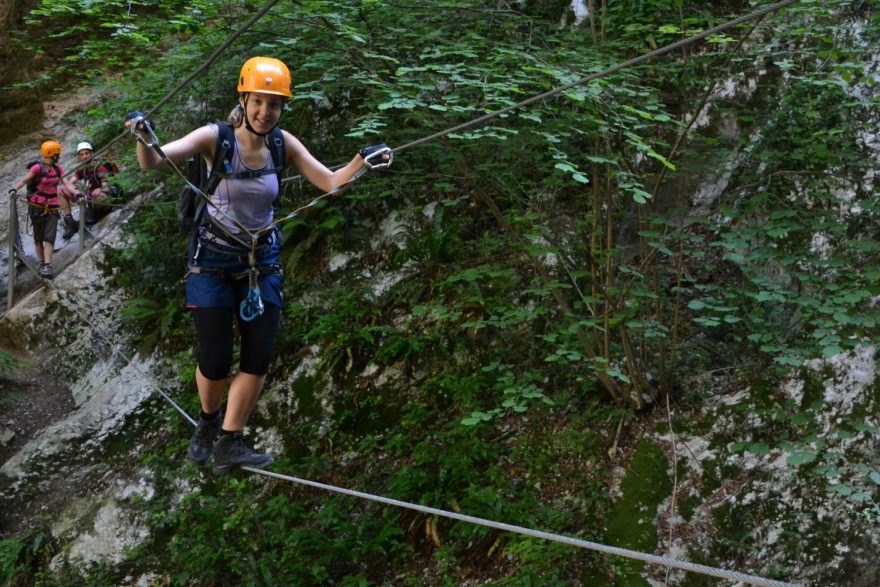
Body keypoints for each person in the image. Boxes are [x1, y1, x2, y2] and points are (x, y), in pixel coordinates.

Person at [126, 56, 391, 473]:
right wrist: (144, 136)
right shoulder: (216, 137)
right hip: (211, 261)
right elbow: (155, 161)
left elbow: (331, 183)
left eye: (275, 104)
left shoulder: (284, 144)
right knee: (214, 359)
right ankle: (209, 422)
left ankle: (231, 441)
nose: (266, 112)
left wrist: (363, 160)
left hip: (260, 264)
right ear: (244, 98)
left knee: (258, 355)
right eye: (259, 102)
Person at [9, 140, 82, 278]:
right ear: (51, 154)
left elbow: (67, 184)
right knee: (38, 238)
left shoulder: (58, 169)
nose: (58, 156)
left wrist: (77, 193)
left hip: (53, 207)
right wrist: (14, 189)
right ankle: (42, 262)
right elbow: (25, 180)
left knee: (50, 237)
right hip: (37, 208)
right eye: (57, 154)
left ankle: (47, 265)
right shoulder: (37, 168)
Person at [63, 142, 113, 226]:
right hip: (92, 200)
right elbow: (70, 183)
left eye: (87, 153)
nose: (84, 156)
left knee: (96, 194)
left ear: (92, 153)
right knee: (62, 189)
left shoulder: (100, 167)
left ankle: (96, 214)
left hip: (104, 198)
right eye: (82, 155)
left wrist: (99, 189)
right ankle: (69, 219)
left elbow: (106, 188)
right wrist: (77, 193)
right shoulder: (83, 169)